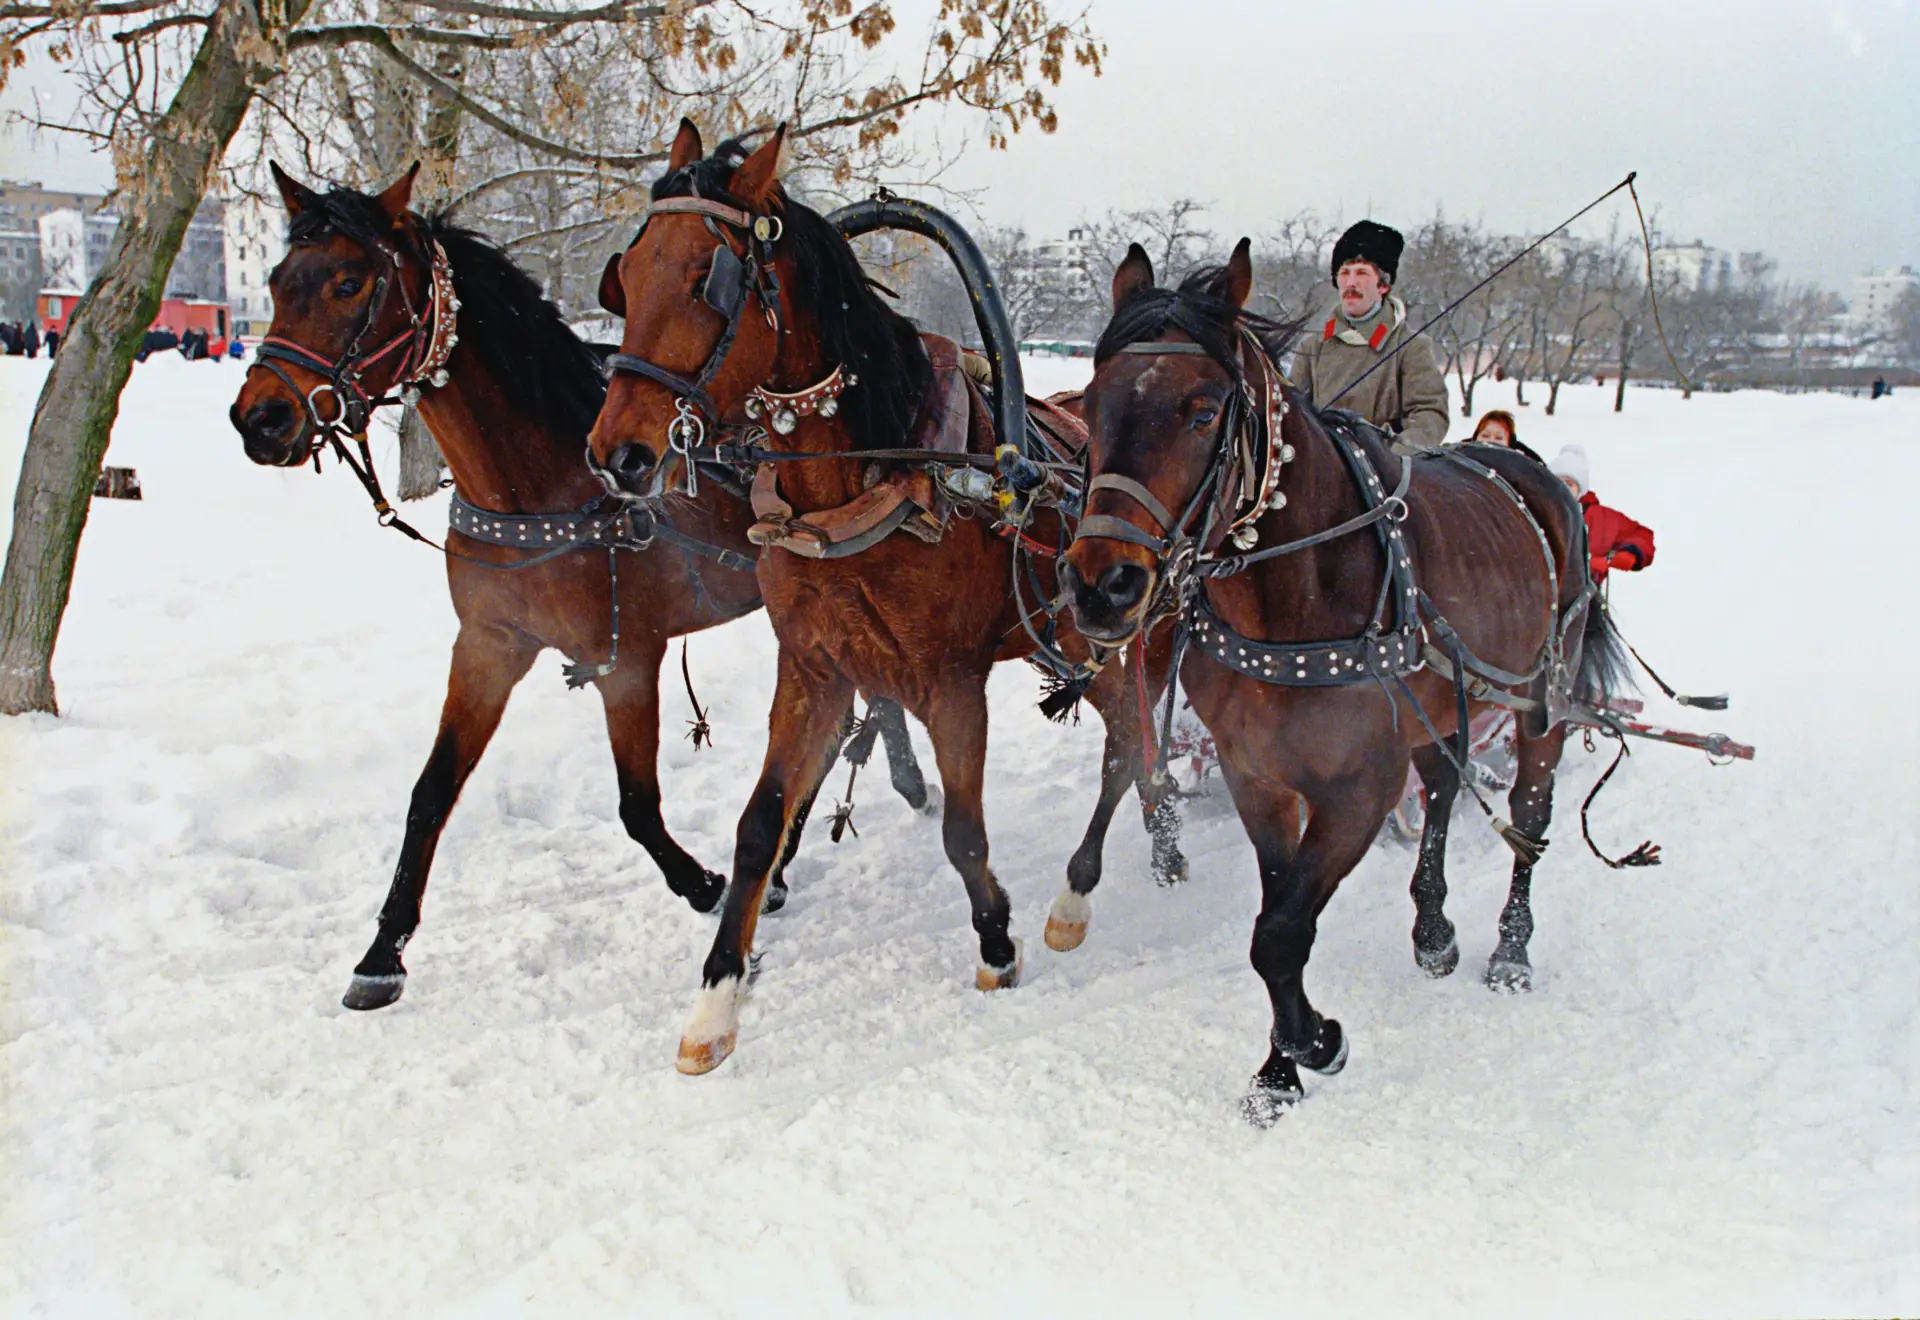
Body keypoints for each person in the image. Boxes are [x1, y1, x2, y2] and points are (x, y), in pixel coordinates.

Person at [1288, 219, 1449, 453]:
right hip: (1323, 470)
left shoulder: (1411, 347)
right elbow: (1293, 412)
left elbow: (1430, 415)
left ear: (1383, 286)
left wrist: (1390, 458)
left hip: (1383, 477)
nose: (1350, 282)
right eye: (1344, 273)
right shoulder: (1313, 346)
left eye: (1362, 273)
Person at [1548, 445, 1655, 584]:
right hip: (1541, 593)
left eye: (1569, 483)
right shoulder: (1538, 513)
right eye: (1557, 482)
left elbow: (1641, 534)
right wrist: (1590, 563)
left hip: (1587, 596)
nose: (1563, 488)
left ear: (1580, 488)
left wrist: (1631, 552)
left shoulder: (1603, 518)